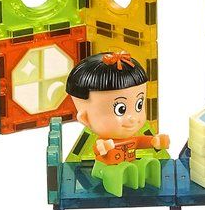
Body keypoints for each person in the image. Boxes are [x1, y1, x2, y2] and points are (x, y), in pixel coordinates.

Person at [65, 51, 169, 197]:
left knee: (144, 164)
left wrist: (154, 141)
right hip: (104, 168)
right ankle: (119, 180)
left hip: (129, 165)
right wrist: (104, 147)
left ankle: (142, 176)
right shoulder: (104, 141)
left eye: (139, 105)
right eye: (121, 109)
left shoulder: (131, 137)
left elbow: (139, 142)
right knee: (116, 172)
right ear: (85, 118)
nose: (133, 118)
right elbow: (97, 149)